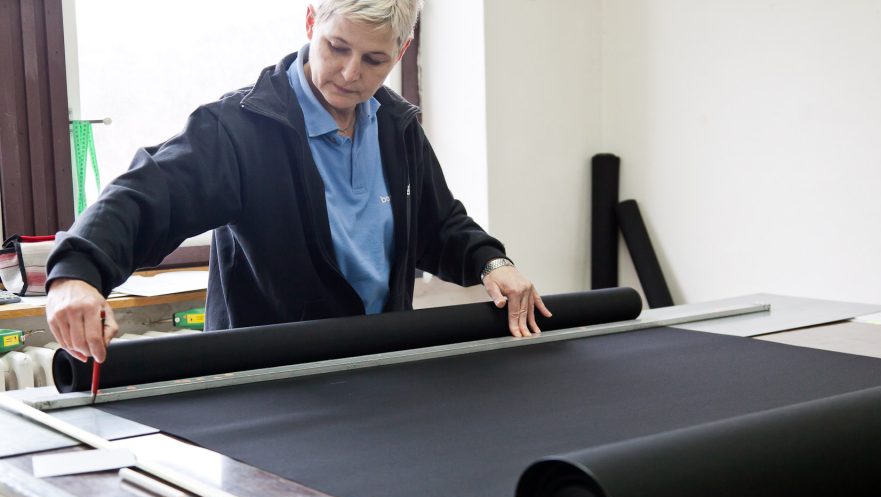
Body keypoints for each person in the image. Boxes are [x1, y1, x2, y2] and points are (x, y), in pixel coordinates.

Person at [46, 0, 550, 364]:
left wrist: (492, 262)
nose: (349, 73)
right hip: (270, 384)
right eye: (337, 47)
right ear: (311, 22)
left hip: (380, 372)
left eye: (373, 60)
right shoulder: (238, 129)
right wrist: (77, 274)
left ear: (400, 53)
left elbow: (438, 225)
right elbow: (146, 195)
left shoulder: (397, 128)